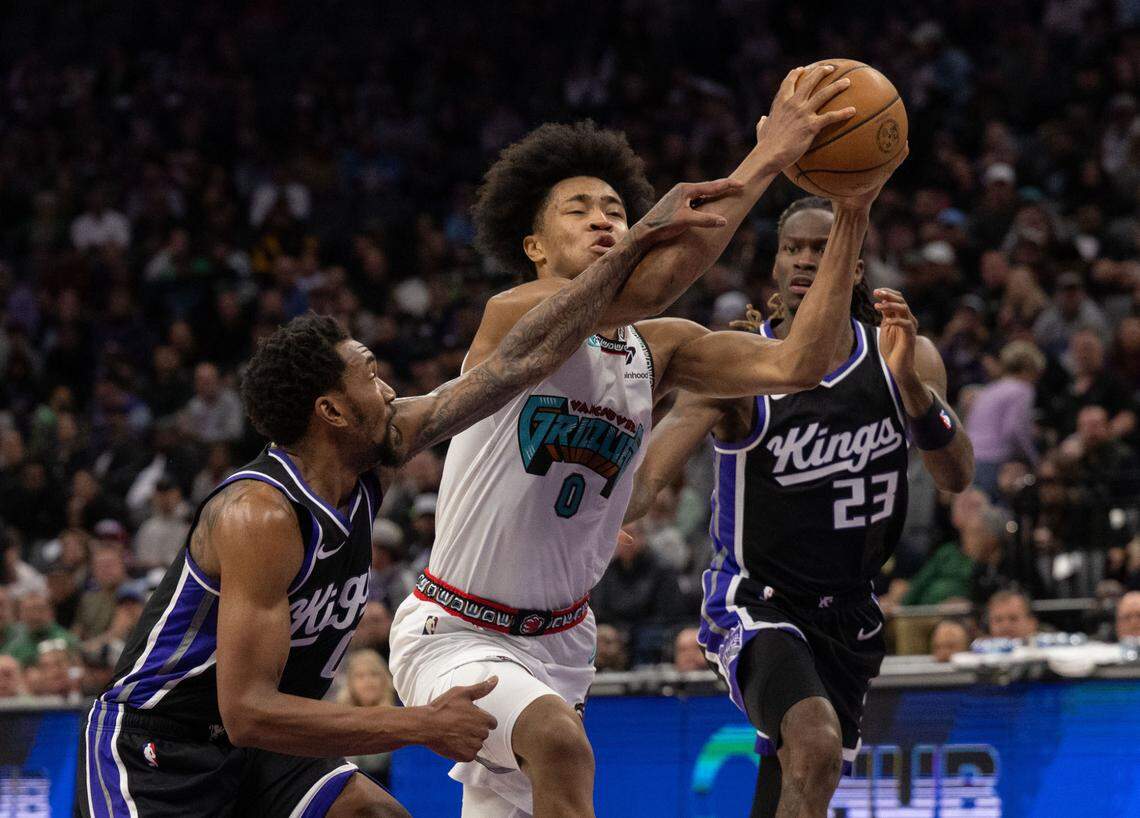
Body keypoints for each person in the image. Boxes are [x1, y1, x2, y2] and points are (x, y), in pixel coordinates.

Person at [76, 171, 730, 818]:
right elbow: (247, 711)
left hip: (267, 752)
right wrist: (419, 724)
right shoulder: (259, 513)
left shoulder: (377, 459)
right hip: (163, 746)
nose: (389, 388)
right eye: (370, 375)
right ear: (332, 411)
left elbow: (514, 366)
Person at [389, 64, 900, 818]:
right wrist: (767, 157)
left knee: (547, 760)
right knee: (560, 744)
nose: (603, 218)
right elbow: (649, 285)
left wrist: (852, 210)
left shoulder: (657, 350)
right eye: (578, 210)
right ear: (533, 246)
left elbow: (800, 364)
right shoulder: (512, 314)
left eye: (616, 209)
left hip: (563, 645)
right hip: (455, 627)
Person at [625, 191, 975, 816]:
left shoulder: (905, 356)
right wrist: (595, 511)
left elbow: (957, 474)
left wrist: (913, 390)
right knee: (813, 743)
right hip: (756, 602)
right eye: (793, 248)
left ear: (854, 267)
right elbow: (649, 475)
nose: (806, 259)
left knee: (800, 778)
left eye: (822, 247)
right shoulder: (737, 366)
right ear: (777, 265)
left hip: (850, 610)